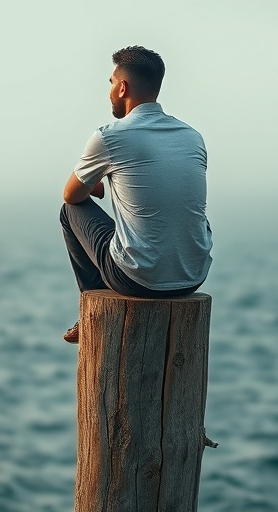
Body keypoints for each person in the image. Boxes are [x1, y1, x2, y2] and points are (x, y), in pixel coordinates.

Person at [59, 45, 213, 343]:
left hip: (137, 280)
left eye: (111, 84)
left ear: (122, 87)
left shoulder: (109, 136)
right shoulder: (193, 136)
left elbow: (71, 196)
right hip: (193, 276)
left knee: (69, 213)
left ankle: (89, 307)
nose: (109, 91)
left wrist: (97, 182)